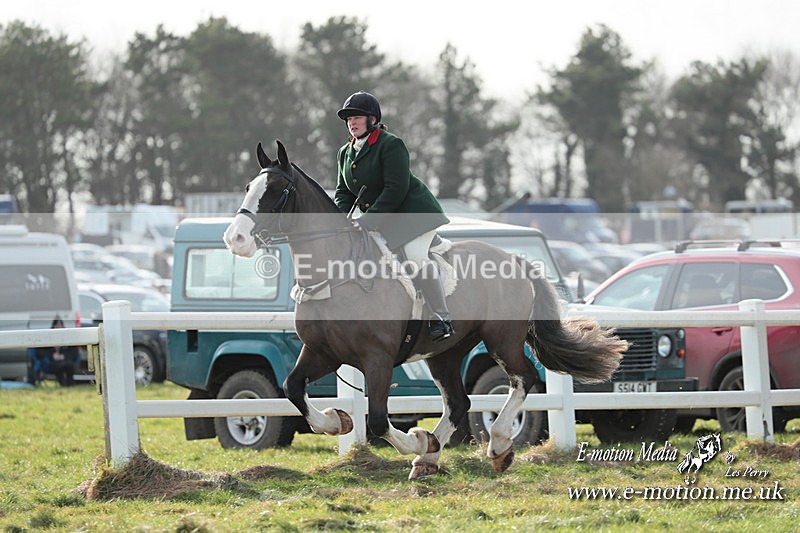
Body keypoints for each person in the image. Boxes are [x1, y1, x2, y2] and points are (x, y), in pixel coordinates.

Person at [334, 91, 454, 341]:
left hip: (414, 214)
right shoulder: (345, 152)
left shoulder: (391, 145)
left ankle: (441, 317)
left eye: (357, 117)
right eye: (349, 119)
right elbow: (343, 192)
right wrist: (339, 221)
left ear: (372, 119)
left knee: (414, 257)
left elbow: (395, 189)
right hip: (384, 219)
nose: (352, 123)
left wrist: (368, 220)